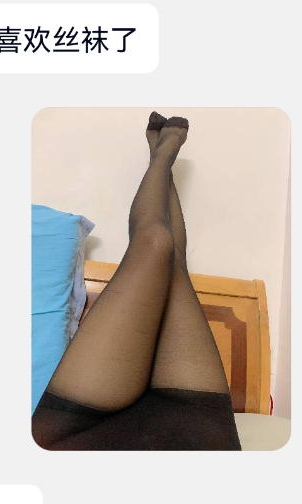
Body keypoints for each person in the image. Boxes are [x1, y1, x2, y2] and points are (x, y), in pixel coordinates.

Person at [32, 113, 241, 451]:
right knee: (172, 261)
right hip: (195, 432)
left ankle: (160, 157)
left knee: (155, 242)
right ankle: (163, 160)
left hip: (73, 431)